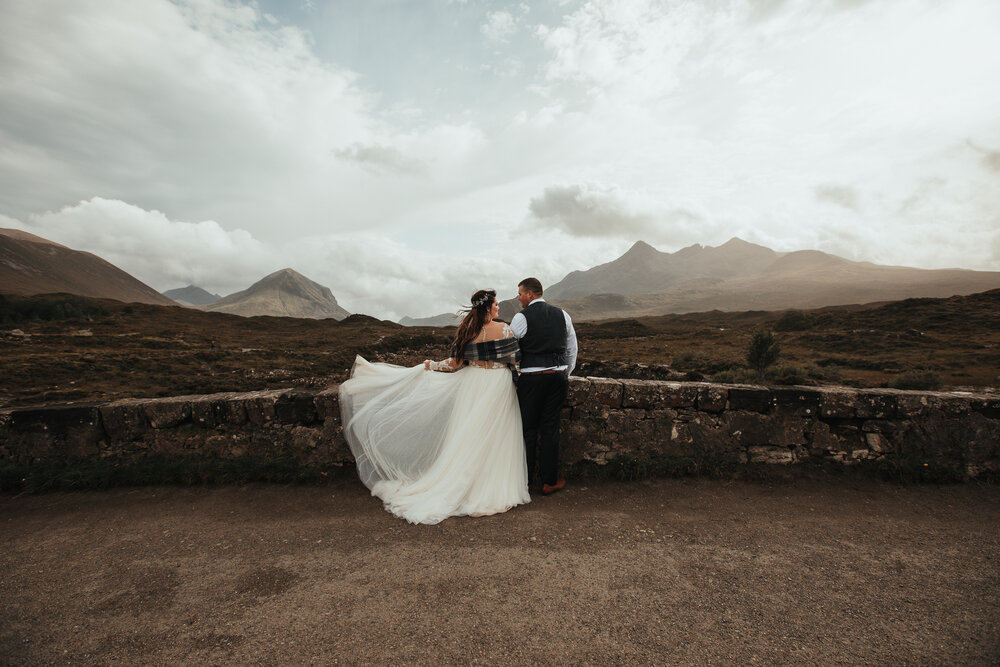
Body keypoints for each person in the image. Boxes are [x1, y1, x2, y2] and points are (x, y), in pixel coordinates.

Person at [339, 289, 529, 525]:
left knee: (469, 436)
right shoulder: (504, 329)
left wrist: (430, 365)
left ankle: (464, 484)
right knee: (499, 434)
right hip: (498, 386)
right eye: (497, 305)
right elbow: (516, 358)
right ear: (489, 307)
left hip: (473, 386)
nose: (499, 308)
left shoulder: (467, 332)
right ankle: (493, 484)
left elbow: (453, 364)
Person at [510, 278, 577, 495]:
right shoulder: (563, 314)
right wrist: (564, 372)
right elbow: (571, 348)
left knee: (527, 429)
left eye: (520, 293)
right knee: (550, 429)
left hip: (531, 377)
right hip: (557, 377)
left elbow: (511, 350)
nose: (518, 297)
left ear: (530, 294)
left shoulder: (521, 318)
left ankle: (525, 481)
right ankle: (549, 481)